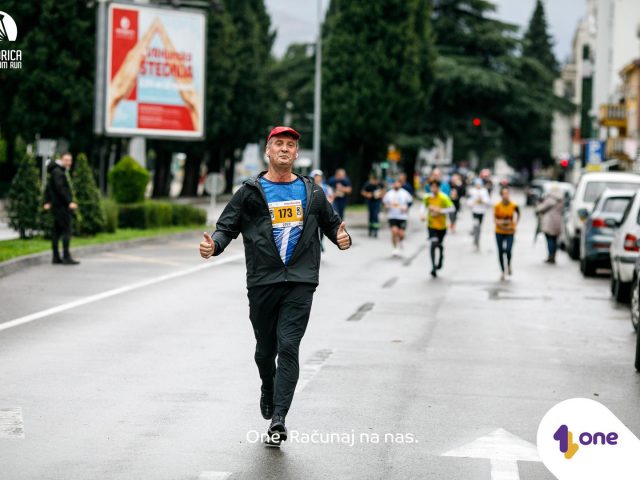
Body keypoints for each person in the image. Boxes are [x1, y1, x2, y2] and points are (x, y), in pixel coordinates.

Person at [199, 126, 351, 446]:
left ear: (297, 154)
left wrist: (341, 237)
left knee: (289, 346)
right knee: (265, 351)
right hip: (263, 281)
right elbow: (227, 227)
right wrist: (214, 245)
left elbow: (332, 224)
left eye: (290, 145)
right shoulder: (250, 191)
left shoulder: (313, 192)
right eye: (278, 144)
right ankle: (267, 386)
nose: (284, 149)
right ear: (268, 151)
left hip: (300, 280)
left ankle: (279, 419)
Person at [43, 153, 79, 265]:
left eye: (70, 160)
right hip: (61, 206)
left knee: (57, 232)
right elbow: (61, 189)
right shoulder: (58, 172)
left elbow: (48, 188)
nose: (69, 162)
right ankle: (66, 257)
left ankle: (56, 257)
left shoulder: (56, 171)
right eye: (66, 160)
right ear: (61, 160)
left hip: (56, 205)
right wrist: (69, 202)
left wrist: (47, 201)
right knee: (67, 231)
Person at [421, 180, 455, 278]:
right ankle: (433, 267)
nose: (434, 189)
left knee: (439, 245)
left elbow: (452, 208)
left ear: (439, 188)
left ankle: (440, 258)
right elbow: (423, 207)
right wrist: (422, 215)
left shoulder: (444, 197)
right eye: (432, 187)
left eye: (436, 187)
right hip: (431, 225)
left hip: (442, 226)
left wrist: (441, 210)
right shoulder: (428, 198)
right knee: (433, 244)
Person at [494, 186, 520, 280]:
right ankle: (502, 271)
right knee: (500, 251)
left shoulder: (513, 205)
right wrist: (502, 222)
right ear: (501, 195)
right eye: (504, 194)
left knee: (508, 249)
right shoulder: (497, 206)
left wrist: (515, 224)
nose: (506, 195)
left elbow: (518, 214)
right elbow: (496, 219)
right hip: (499, 231)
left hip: (510, 231)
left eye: (507, 193)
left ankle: (508, 264)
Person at [535, 183, 564, 264]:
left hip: (550, 221)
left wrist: (538, 206)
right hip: (558, 221)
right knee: (554, 239)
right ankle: (553, 255)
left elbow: (541, 208)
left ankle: (551, 256)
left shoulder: (551, 198)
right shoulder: (561, 198)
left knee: (550, 238)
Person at [382, 179, 412, 255]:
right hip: (392, 216)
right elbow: (384, 204)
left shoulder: (405, 193)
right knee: (394, 232)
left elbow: (410, 202)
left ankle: (401, 241)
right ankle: (395, 248)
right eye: (395, 183)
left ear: (400, 184)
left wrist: (406, 208)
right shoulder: (389, 194)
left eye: (398, 183)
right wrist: (387, 206)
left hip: (402, 216)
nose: (396, 185)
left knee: (401, 234)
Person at [310, 169, 334, 250]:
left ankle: (320, 242)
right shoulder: (309, 187)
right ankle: (316, 244)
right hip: (313, 213)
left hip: (323, 212)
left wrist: (326, 203)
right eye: (315, 176)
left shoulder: (326, 188)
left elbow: (331, 198)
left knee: (322, 230)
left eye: (319, 176)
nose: (317, 178)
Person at [467, 178, 492, 251]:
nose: (478, 186)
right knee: (476, 225)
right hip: (475, 211)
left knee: (479, 227)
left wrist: (482, 200)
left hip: (482, 211)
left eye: (479, 184)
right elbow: (468, 202)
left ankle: (477, 239)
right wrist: (475, 202)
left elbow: (488, 201)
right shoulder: (472, 191)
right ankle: (475, 239)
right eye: (477, 184)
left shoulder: (484, 191)